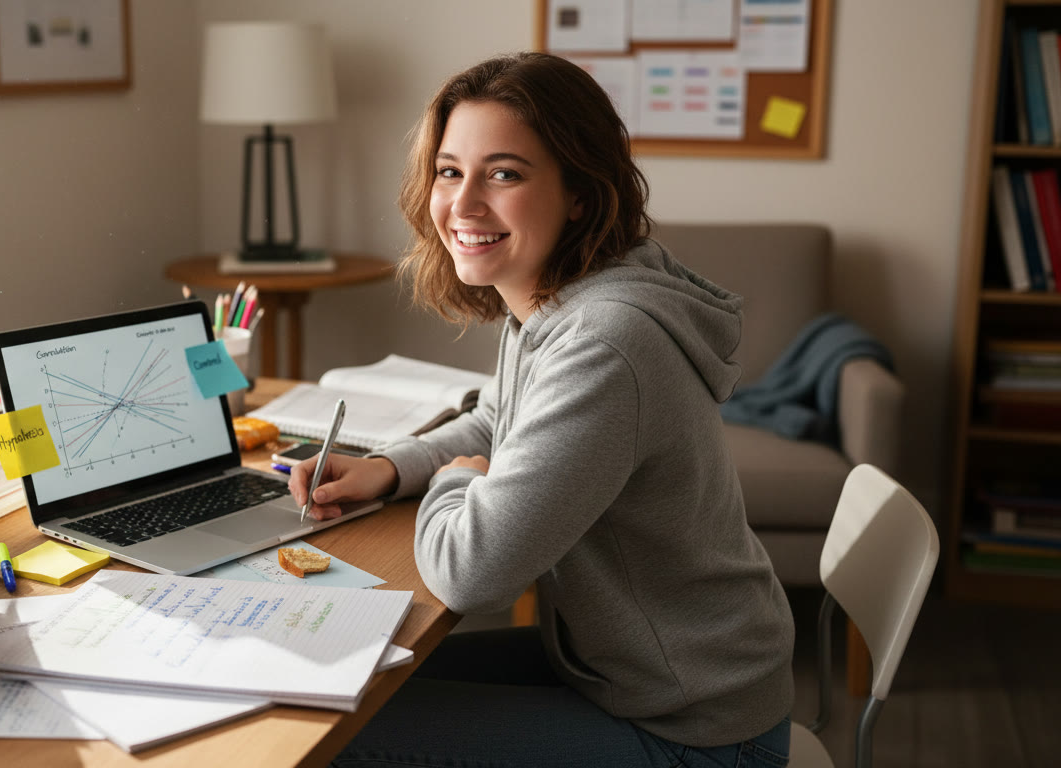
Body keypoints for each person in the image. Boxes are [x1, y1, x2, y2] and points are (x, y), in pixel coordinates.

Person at [288, 52, 794, 768]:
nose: (463, 206)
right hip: (629, 670)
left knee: (334, 738)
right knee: (354, 682)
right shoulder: (557, 297)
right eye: (449, 171)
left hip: (697, 730)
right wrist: (385, 469)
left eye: (505, 173)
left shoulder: (605, 343)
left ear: (579, 192)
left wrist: (454, 484)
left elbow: (474, 573)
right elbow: (499, 422)